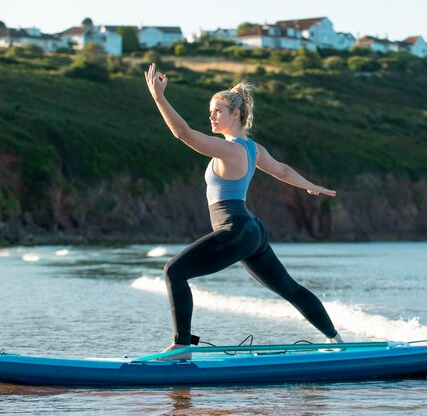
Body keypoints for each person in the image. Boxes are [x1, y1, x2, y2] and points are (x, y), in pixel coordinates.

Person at [144, 63, 343, 359]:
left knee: (174, 271)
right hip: (251, 231)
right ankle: (337, 340)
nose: (211, 116)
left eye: (217, 111)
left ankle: (181, 346)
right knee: (289, 288)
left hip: (236, 229)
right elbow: (283, 170)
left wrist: (159, 97)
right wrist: (309, 185)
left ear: (235, 114)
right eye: (211, 111)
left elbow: (183, 133)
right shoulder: (253, 149)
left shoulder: (231, 149)